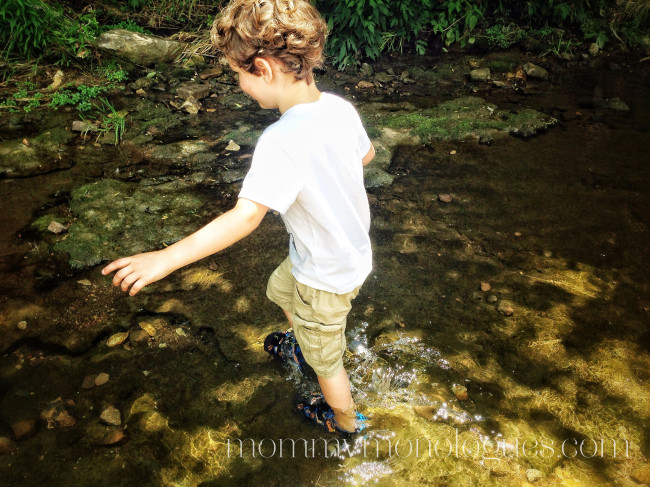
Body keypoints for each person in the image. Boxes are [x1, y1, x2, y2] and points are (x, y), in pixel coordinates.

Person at [102, 0, 375, 434]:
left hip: (324, 277)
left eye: (237, 74)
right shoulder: (340, 108)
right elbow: (366, 154)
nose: (239, 85)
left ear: (263, 69)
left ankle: (344, 420)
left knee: (328, 363)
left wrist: (166, 259)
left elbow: (245, 217)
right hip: (348, 254)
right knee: (280, 291)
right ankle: (303, 343)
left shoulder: (281, 138)